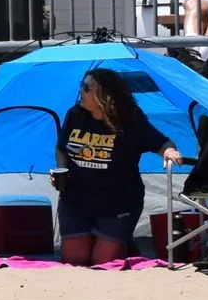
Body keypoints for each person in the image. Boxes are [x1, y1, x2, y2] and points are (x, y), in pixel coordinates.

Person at [52, 66, 181, 266]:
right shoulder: (75, 114)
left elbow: (162, 143)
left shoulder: (129, 120)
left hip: (118, 202)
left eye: (87, 87)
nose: (81, 91)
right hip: (76, 201)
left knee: (103, 262)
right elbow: (61, 148)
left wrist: (169, 152)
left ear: (105, 96)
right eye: (81, 85)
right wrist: (62, 170)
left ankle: (121, 241)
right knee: (75, 260)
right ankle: (108, 239)